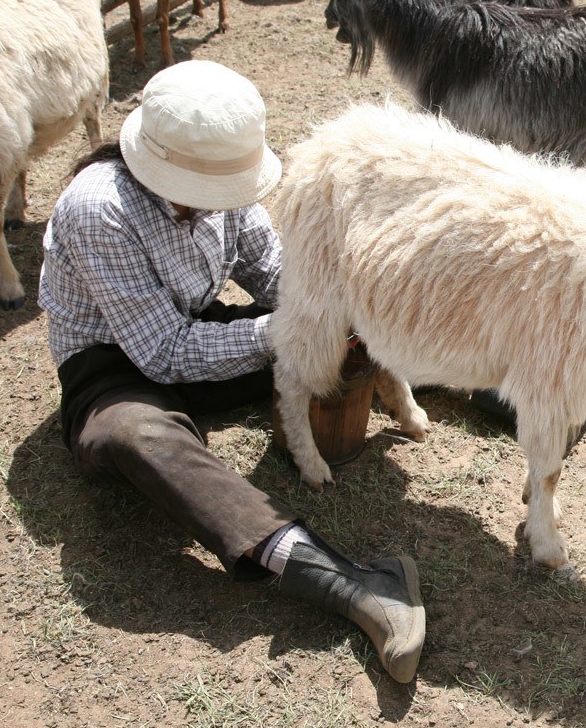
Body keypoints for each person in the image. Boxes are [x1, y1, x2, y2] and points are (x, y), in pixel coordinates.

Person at [38, 60, 425, 684]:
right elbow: (161, 352)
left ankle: (495, 390)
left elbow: (272, 275)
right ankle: (352, 583)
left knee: (357, 325)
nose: (225, 202)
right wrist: (289, 332)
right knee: (134, 437)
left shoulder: (221, 183)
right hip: (114, 367)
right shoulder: (98, 208)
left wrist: (336, 312)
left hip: (195, 328)